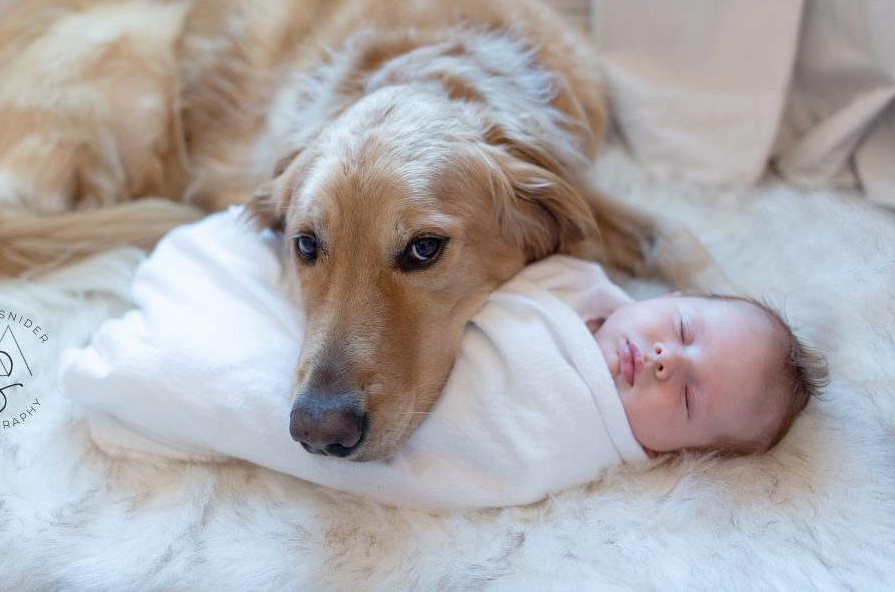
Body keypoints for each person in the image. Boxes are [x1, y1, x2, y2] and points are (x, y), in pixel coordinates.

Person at [61, 208, 830, 510]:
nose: (665, 358)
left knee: (208, 387)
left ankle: (141, 376)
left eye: (689, 397)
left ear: (671, 459)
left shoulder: (568, 441)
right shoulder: (589, 290)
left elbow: (463, 465)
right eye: (685, 326)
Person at [587, 292, 828, 458]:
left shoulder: (585, 449)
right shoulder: (578, 282)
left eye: (687, 396)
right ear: (667, 298)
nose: (667, 358)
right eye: (682, 330)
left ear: (670, 453)